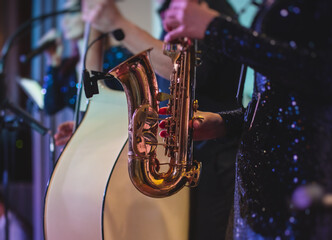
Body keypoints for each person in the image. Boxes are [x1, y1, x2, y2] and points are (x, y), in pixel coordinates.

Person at [162, 0, 332, 239]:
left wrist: (216, 28)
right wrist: (227, 123)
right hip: (257, 190)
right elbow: (278, 99)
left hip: (307, 184)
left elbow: (328, 77)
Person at [53, 1, 242, 239]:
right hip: (185, 162)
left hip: (211, 167)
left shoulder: (211, 7)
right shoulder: (172, 11)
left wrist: (117, 23)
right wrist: (98, 127)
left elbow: (191, 71)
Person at [41, 0, 131, 115]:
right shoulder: (68, 67)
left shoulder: (116, 57)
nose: (65, 21)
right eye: (64, 14)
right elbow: (50, 107)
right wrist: (53, 63)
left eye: (73, 12)